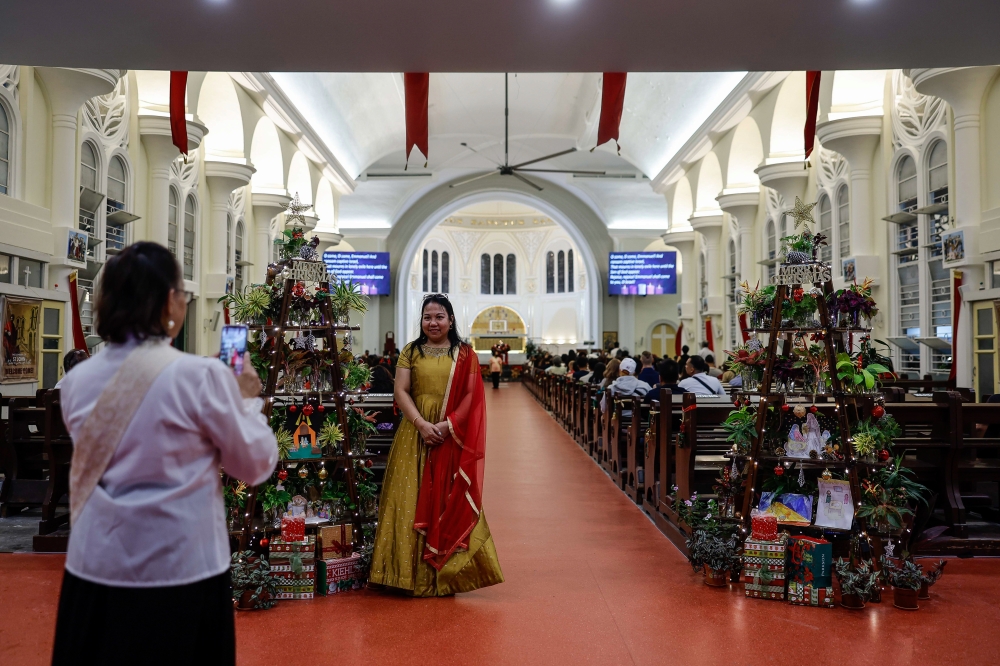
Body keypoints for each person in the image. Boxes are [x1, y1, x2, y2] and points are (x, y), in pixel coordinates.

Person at [52, 242, 278, 664]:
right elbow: (254, 464)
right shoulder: (200, 377)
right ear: (169, 302)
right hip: (181, 569)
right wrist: (246, 398)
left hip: (96, 566)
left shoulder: (77, 381)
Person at [369, 294, 503, 596]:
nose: (433, 322)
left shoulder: (465, 354)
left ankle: (444, 576)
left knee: (446, 500)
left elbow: (471, 396)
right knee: (406, 499)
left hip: (448, 437)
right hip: (413, 434)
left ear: (450, 320)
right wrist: (421, 424)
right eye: (427, 317)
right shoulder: (411, 351)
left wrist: (446, 425)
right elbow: (401, 390)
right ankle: (401, 576)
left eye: (439, 317)